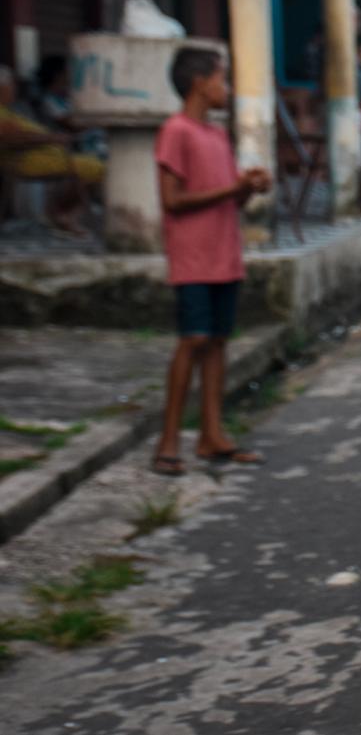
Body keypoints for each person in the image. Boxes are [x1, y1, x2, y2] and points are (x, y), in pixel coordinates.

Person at [151, 48, 270, 477]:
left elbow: (225, 194)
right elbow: (172, 200)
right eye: (223, 79)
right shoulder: (175, 131)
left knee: (218, 342)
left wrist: (247, 188)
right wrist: (230, 190)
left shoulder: (217, 136)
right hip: (193, 256)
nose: (228, 89)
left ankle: (211, 433)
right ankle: (168, 440)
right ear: (201, 82)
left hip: (224, 253)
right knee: (193, 340)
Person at [0, 65, 104, 236]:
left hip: (41, 156)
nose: (14, 90)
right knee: (96, 168)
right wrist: (52, 138)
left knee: (92, 163)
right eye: (11, 85)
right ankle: (63, 214)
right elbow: (12, 138)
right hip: (27, 161)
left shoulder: (8, 110)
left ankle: (60, 212)